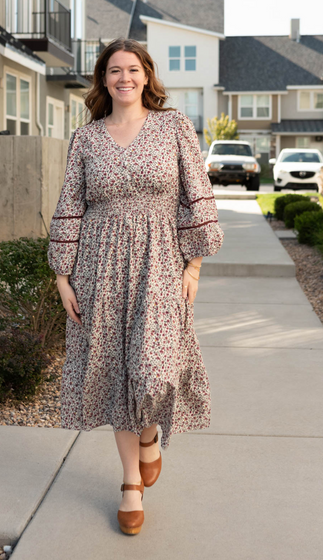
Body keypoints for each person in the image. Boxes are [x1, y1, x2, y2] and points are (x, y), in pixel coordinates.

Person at [48, 37, 224, 535]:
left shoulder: (173, 127)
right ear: (103, 80)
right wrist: (63, 275)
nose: (123, 77)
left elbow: (197, 195)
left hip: (160, 262)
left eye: (133, 69)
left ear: (146, 76)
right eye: (113, 70)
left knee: (152, 366)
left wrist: (193, 268)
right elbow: (70, 206)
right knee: (112, 368)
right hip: (98, 266)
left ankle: (150, 435)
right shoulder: (86, 139)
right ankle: (129, 482)